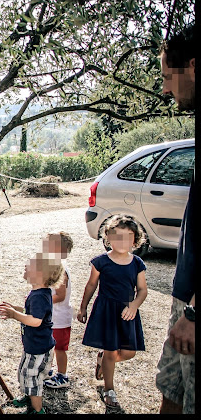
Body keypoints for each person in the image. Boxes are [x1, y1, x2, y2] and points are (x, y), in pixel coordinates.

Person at [156, 23, 195, 415]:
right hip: (184, 302)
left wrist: (194, 313)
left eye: (169, 76)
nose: (166, 89)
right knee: (172, 389)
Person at [77, 215, 148, 413]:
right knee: (111, 350)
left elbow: (142, 290)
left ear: (135, 240)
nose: (122, 241)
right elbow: (91, 285)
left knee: (128, 352)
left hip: (127, 312)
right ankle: (109, 389)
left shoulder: (137, 263)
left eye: (128, 237)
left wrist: (134, 305)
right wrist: (83, 307)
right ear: (108, 237)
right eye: (117, 236)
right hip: (106, 311)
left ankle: (103, 360)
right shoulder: (100, 262)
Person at [0, 252, 65, 414]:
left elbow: (35, 320)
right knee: (24, 373)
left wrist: (15, 315)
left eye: (30, 266)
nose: (26, 266)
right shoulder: (39, 292)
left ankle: (37, 410)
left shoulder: (40, 296)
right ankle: (29, 397)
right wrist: (16, 309)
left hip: (39, 349)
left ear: (41, 274)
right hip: (33, 346)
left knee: (32, 378)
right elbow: (30, 312)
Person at [41, 231, 74, 389]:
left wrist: (42, 300)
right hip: (52, 316)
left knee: (60, 348)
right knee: (51, 346)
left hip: (60, 318)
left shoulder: (60, 269)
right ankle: (49, 370)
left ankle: (62, 375)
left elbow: (60, 295)